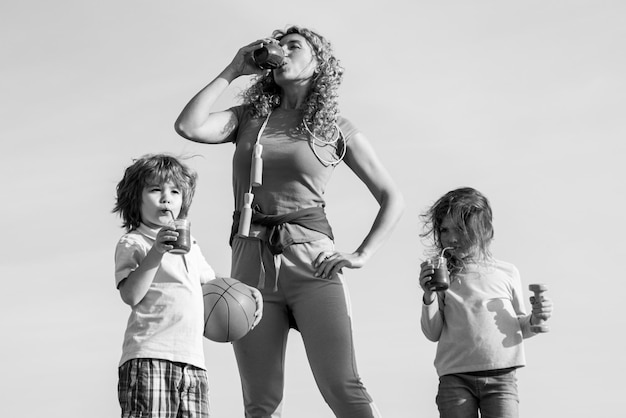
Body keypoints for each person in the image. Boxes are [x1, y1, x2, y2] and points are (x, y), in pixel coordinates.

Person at [174, 26, 404, 418]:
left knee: (343, 386)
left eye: (294, 46)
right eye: (280, 45)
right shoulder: (249, 118)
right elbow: (189, 127)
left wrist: (362, 254)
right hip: (250, 263)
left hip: (312, 262)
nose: (282, 51)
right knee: (262, 403)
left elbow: (391, 197)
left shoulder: (335, 128)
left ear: (319, 65)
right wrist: (234, 68)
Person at [112, 153, 263, 418]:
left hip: (192, 363)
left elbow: (215, 287)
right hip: (150, 356)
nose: (166, 197)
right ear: (135, 199)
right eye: (155, 189)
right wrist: (157, 252)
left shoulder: (191, 246)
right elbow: (131, 294)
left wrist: (248, 294)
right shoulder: (134, 242)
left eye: (174, 191)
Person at [418, 187, 553, 418]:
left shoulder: (507, 272)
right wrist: (429, 295)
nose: (451, 238)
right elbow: (433, 333)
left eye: (460, 229)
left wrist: (536, 319)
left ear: (484, 230)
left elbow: (521, 327)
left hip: (502, 378)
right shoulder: (444, 276)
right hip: (455, 379)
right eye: (444, 230)